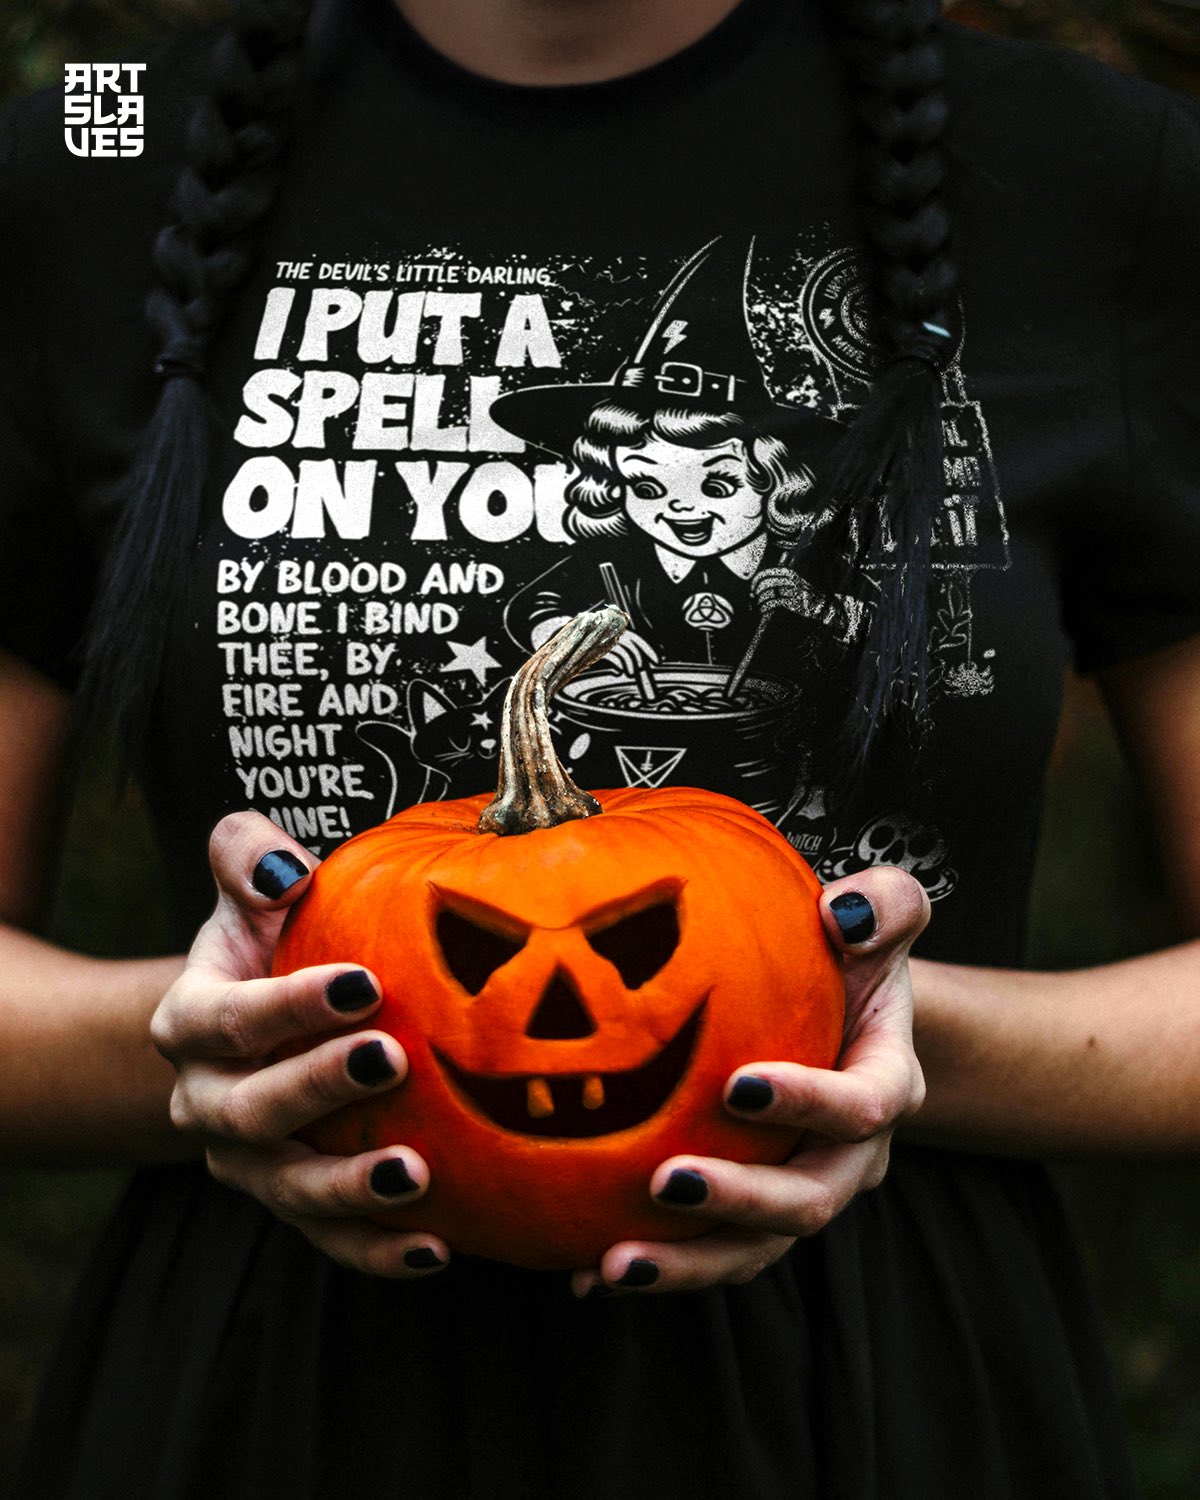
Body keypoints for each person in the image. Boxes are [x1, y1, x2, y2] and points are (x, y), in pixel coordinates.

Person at [1, 0, 1197, 1495]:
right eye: (640, 461)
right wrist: (229, 1047)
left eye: (710, 465)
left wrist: (855, 1031)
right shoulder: (91, 153)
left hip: (888, 1388)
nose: (670, 493)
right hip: (275, 1391)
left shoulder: (1097, 169)